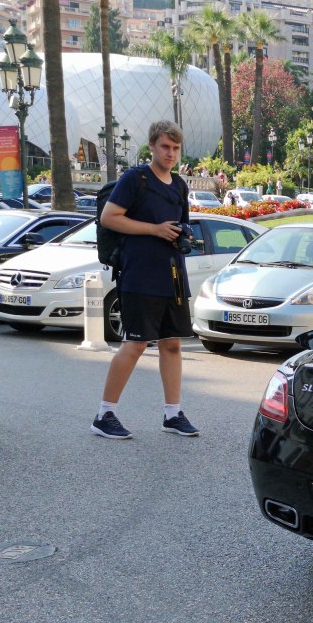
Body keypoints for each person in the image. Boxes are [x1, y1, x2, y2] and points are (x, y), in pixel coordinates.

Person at [92, 120, 198, 440]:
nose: (171, 153)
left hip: (173, 275)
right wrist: (154, 229)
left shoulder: (179, 185)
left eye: (176, 148)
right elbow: (109, 217)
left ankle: (172, 413)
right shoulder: (134, 178)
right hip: (139, 274)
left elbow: (179, 225)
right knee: (135, 343)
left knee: (173, 344)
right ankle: (104, 413)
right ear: (151, 145)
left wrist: (183, 235)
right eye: (165, 146)